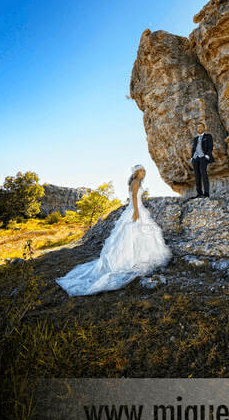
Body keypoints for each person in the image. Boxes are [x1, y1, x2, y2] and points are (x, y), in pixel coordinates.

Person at [56, 166, 171, 296]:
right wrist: (136, 212)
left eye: (144, 171)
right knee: (134, 233)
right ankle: (133, 260)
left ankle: (135, 257)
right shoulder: (136, 182)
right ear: (136, 173)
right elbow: (134, 197)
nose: (143, 173)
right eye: (141, 171)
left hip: (134, 208)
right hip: (135, 209)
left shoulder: (133, 182)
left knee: (135, 235)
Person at [191, 122, 214, 198]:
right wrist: (192, 157)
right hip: (195, 158)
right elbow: (193, 148)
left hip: (203, 157)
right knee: (197, 175)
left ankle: (206, 193)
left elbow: (210, 146)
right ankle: (199, 193)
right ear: (197, 129)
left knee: (203, 173)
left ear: (204, 128)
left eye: (201, 127)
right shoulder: (195, 139)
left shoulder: (208, 136)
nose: (200, 128)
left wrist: (207, 155)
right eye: (198, 127)